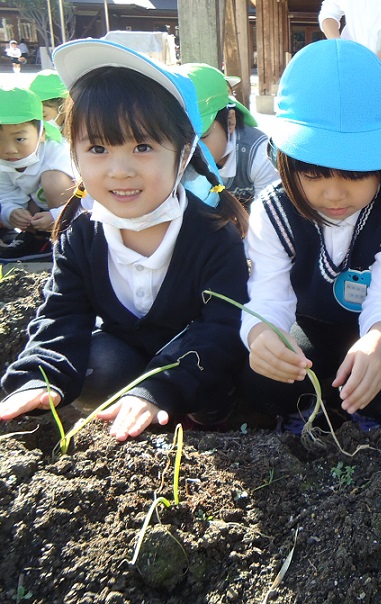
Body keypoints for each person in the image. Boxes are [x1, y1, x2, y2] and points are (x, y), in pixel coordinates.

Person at [0, 39, 250, 442]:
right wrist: (39, 376)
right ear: (74, 155)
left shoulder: (213, 237)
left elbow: (221, 328)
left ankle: (206, 417)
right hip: (127, 366)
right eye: (98, 148)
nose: (119, 170)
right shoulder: (80, 237)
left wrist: (160, 389)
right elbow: (62, 315)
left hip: (197, 372)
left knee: (227, 370)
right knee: (97, 362)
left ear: (183, 154)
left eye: (143, 146)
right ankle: (130, 415)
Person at [241, 40, 381, 432]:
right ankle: (305, 412)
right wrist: (261, 335)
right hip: (307, 323)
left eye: (356, 174)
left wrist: (378, 341)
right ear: (285, 160)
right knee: (265, 378)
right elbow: (269, 296)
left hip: (373, 324)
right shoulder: (272, 211)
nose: (336, 193)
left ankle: (365, 412)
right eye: (314, 174)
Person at [177, 63, 279, 209]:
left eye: (202, 137)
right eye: (184, 140)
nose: (193, 150)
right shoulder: (172, 158)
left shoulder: (259, 155)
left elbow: (270, 220)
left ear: (230, 121)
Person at [0, 86, 76, 261]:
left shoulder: (56, 152)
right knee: (25, 203)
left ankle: (66, 238)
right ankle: (35, 239)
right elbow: (6, 194)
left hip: (70, 210)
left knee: (52, 180)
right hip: (39, 210)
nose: (9, 149)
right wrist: (12, 212)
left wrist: (57, 216)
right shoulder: (3, 162)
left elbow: (84, 195)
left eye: (20, 139)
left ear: (41, 133)